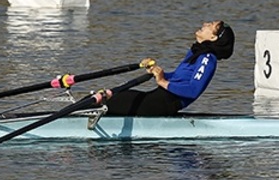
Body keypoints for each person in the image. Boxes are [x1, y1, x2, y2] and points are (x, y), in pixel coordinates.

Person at [98, 20, 235, 116]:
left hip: (166, 103)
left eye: (210, 25)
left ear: (212, 37)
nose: (205, 24)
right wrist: (158, 72)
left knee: (110, 101)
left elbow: (193, 90)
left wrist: (163, 81)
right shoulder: (197, 53)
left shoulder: (207, 58)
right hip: (158, 98)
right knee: (109, 96)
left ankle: (83, 115)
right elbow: (179, 78)